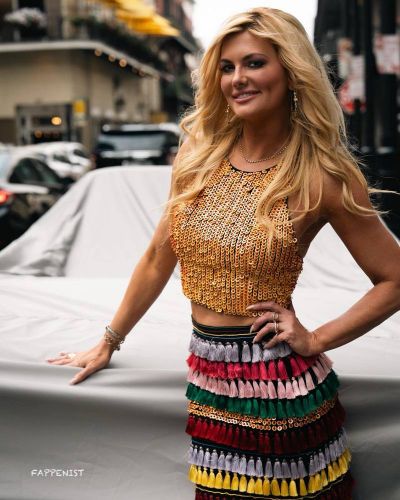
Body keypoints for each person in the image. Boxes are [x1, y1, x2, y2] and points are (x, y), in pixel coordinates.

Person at [47, 7, 400, 500]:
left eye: (254, 63)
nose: (238, 79)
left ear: (291, 71)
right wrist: (109, 341)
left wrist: (316, 338)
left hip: (278, 392)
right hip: (208, 380)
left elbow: (394, 279)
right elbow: (157, 257)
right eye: (227, 67)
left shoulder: (322, 175)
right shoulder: (198, 157)